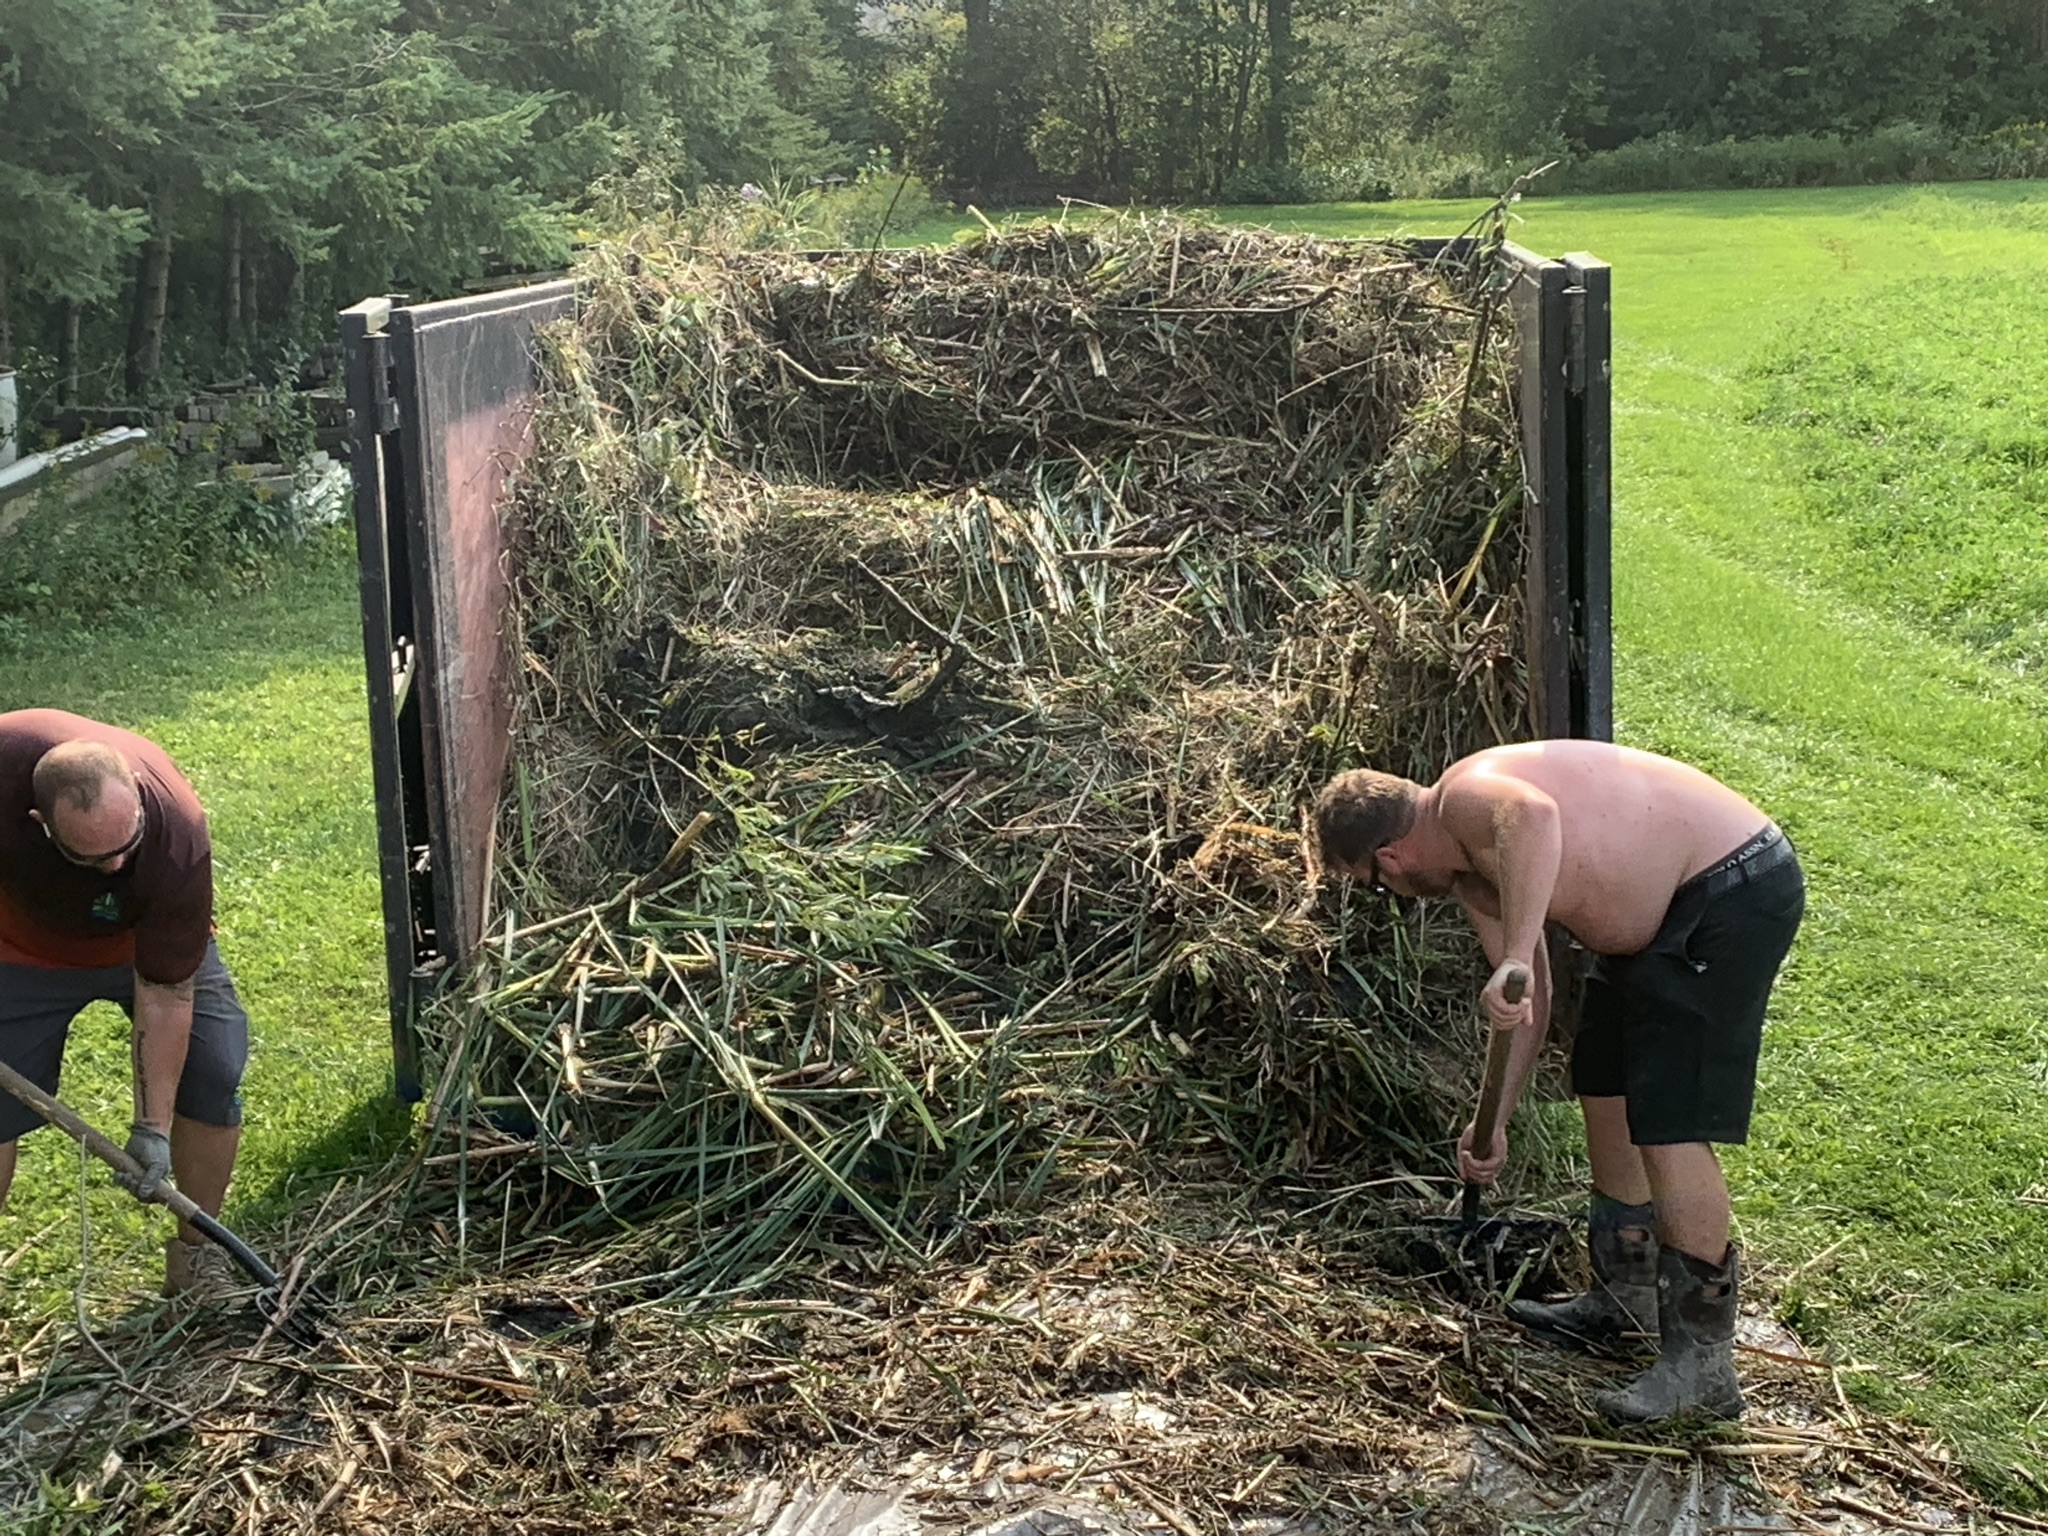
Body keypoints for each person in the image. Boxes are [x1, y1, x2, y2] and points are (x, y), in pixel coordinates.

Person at [1313, 740, 1805, 1421]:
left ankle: (1702, 1370)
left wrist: (1515, 953)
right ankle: (1625, 1295)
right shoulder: (1473, 875)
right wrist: (1496, 1122)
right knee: (1602, 1080)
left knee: (1667, 1122)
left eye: (1372, 883)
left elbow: (1535, 815)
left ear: (1388, 860)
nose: (1390, 894)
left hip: (1728, 889)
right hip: (1654, 928)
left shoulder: (1467, 797)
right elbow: (1529, 1000)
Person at [0, 708, 250, 1298]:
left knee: (213, 1068)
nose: (114, 866)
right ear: (38, 823)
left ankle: (197, 1263)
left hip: (140, 943)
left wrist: (152, 1128)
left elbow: (165, 995)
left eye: (125, 845)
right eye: (89, 858)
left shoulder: (176, 836)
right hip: (17, 947)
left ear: (138, 797)